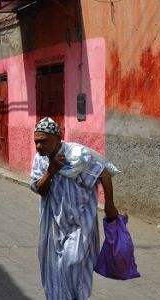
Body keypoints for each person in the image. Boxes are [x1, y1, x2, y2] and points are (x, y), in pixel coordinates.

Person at [29, 117, 119, 300]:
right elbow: (40, 189)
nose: (39, 146)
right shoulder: (41, 160)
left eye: (43, 141)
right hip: (52, 225)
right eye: (36, 141)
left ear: (58, 138)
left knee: (72, 264)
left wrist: (109, 205)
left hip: (79, 224)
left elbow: (104, 173)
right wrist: (51, 171)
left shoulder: (78, 155)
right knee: (52, 270)